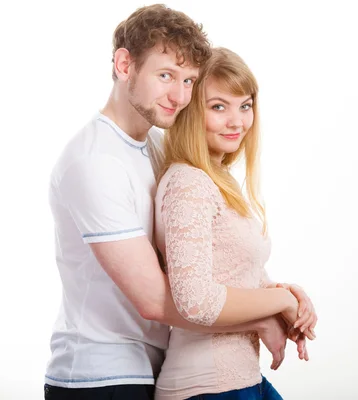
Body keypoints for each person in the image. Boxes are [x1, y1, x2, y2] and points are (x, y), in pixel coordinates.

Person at [43, 5, 302, 400]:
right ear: (125, 64)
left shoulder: (158, 148)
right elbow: (154, 299)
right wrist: (263, 315)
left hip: (156, 367)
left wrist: (272, 295)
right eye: (166, 76)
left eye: (189, 81)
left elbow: (201, 268)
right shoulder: (94, 161)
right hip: (102, 377)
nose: (180, 95)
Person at [152, 47, 318, 400]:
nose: (237, 121)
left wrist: (287, 298)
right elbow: (195, 301)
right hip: (208, 387)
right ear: (189, 110)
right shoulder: (189, 184)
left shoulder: (215, 178)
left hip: (238, 381)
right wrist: (279, 303)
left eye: (245, 105)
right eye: (218, 106)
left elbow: (234, 273)